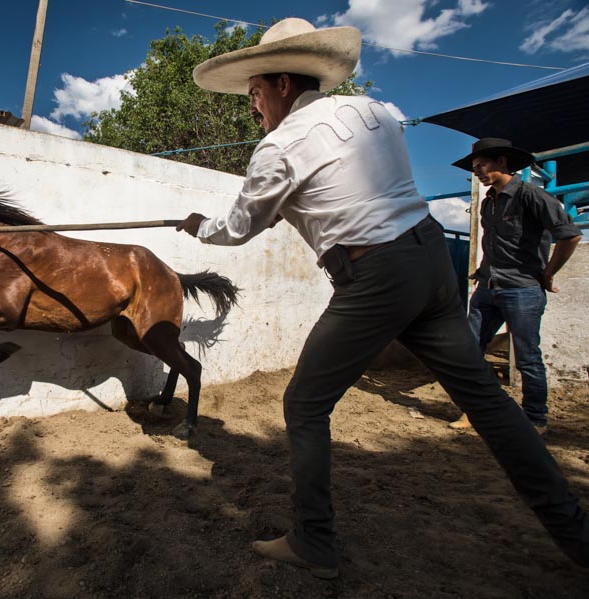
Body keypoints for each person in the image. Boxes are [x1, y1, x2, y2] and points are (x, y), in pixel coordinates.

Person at [176, 17, 589, 579]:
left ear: (279, 83)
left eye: (253, 93)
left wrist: (199, 225)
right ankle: (577, 534)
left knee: (303, 404)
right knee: (489, 404)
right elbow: (339, 189)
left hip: (376, 275)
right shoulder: (375, 114)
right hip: (429, 263)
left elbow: (243, 224)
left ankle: (314, 541)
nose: (252, 106)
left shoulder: (279, 145)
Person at [447, 138, 582, 436]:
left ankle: (535, 419)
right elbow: (494, 243)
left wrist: (547, 274)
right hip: (487, 288)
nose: (478, 173)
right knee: (469, 352)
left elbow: (569, 235)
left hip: (522, 290)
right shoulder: (488, 201)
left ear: (503, 162)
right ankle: (476, 411)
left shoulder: (531, 196)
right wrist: (482, 272)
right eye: (474, 169)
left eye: (482, 166)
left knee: (527, 357)